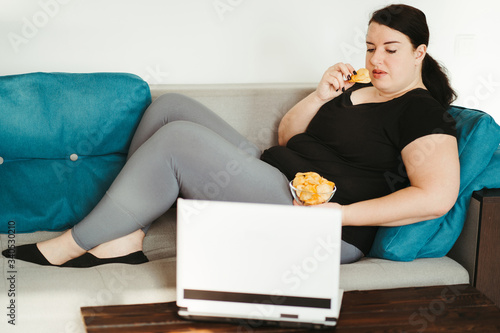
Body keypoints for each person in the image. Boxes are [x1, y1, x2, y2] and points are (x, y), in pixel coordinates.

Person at [2, 4, 459, 267]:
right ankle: (127, 237)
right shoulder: (361, 88)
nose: (377, 58)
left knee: (178, 140)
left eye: (391, 49)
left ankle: (70, 245)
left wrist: (337, 218)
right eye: (371, 47)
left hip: (313, 217)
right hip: (275, 172)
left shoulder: (420, 110)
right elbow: (289, 136)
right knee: (170, 107)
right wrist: (321, 96)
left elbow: (435, 197)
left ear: (420, 53)